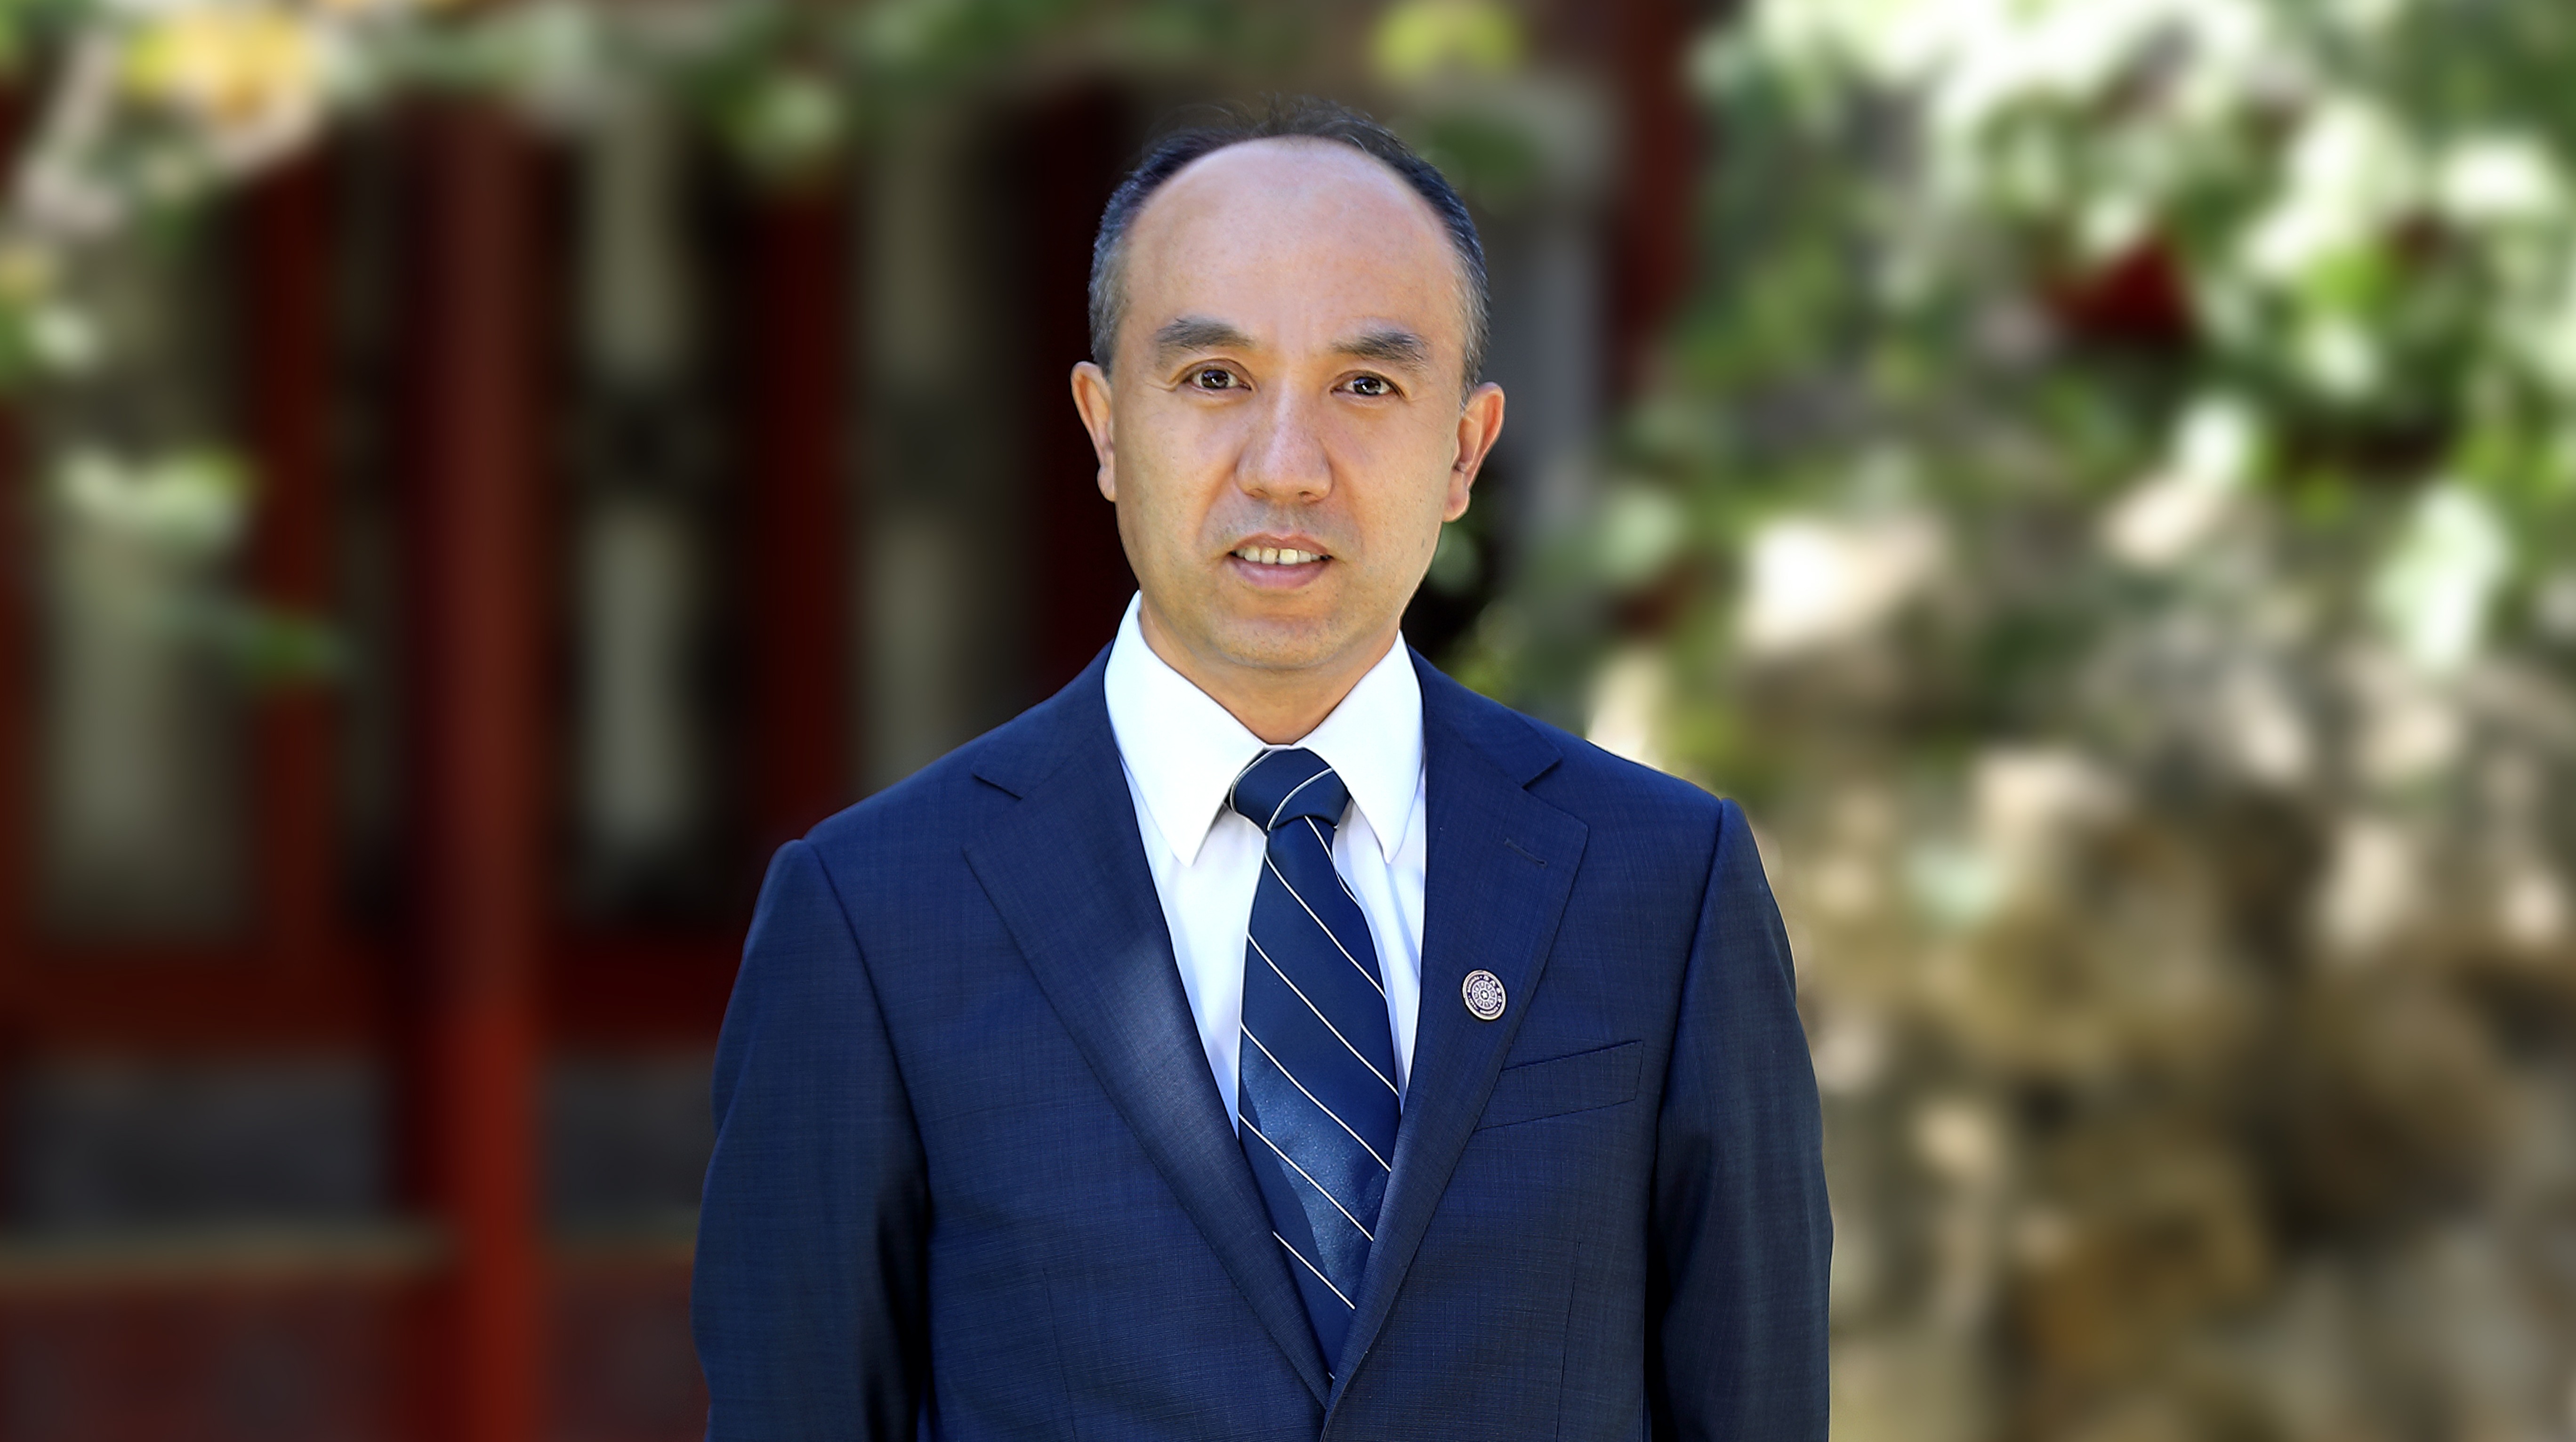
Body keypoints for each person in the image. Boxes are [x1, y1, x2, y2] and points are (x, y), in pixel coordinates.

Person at [692, 97, 1829, 1441]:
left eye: (1366, 386)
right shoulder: (873, 917)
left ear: (1464, 450)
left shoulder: (1662, 885)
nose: (1287, 470)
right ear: (1105, 426)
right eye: (1214, 379)